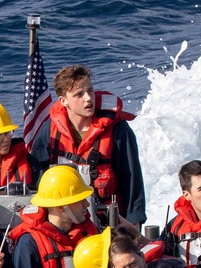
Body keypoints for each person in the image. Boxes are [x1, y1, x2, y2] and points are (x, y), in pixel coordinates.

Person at [31, 63, 146, 228]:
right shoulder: (48, 132)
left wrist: (134, 225)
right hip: (64, 224)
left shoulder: (118, 130)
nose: (88, 98)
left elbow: (132, 182)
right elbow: (37, 181)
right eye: (79, 94)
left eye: (90, 90)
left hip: (109, 223)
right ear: (63, 101)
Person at [9, 165, 98, 268]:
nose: (86, 204)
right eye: (79, 200)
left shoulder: (89, 232)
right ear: (61, 207)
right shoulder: (29, 243)